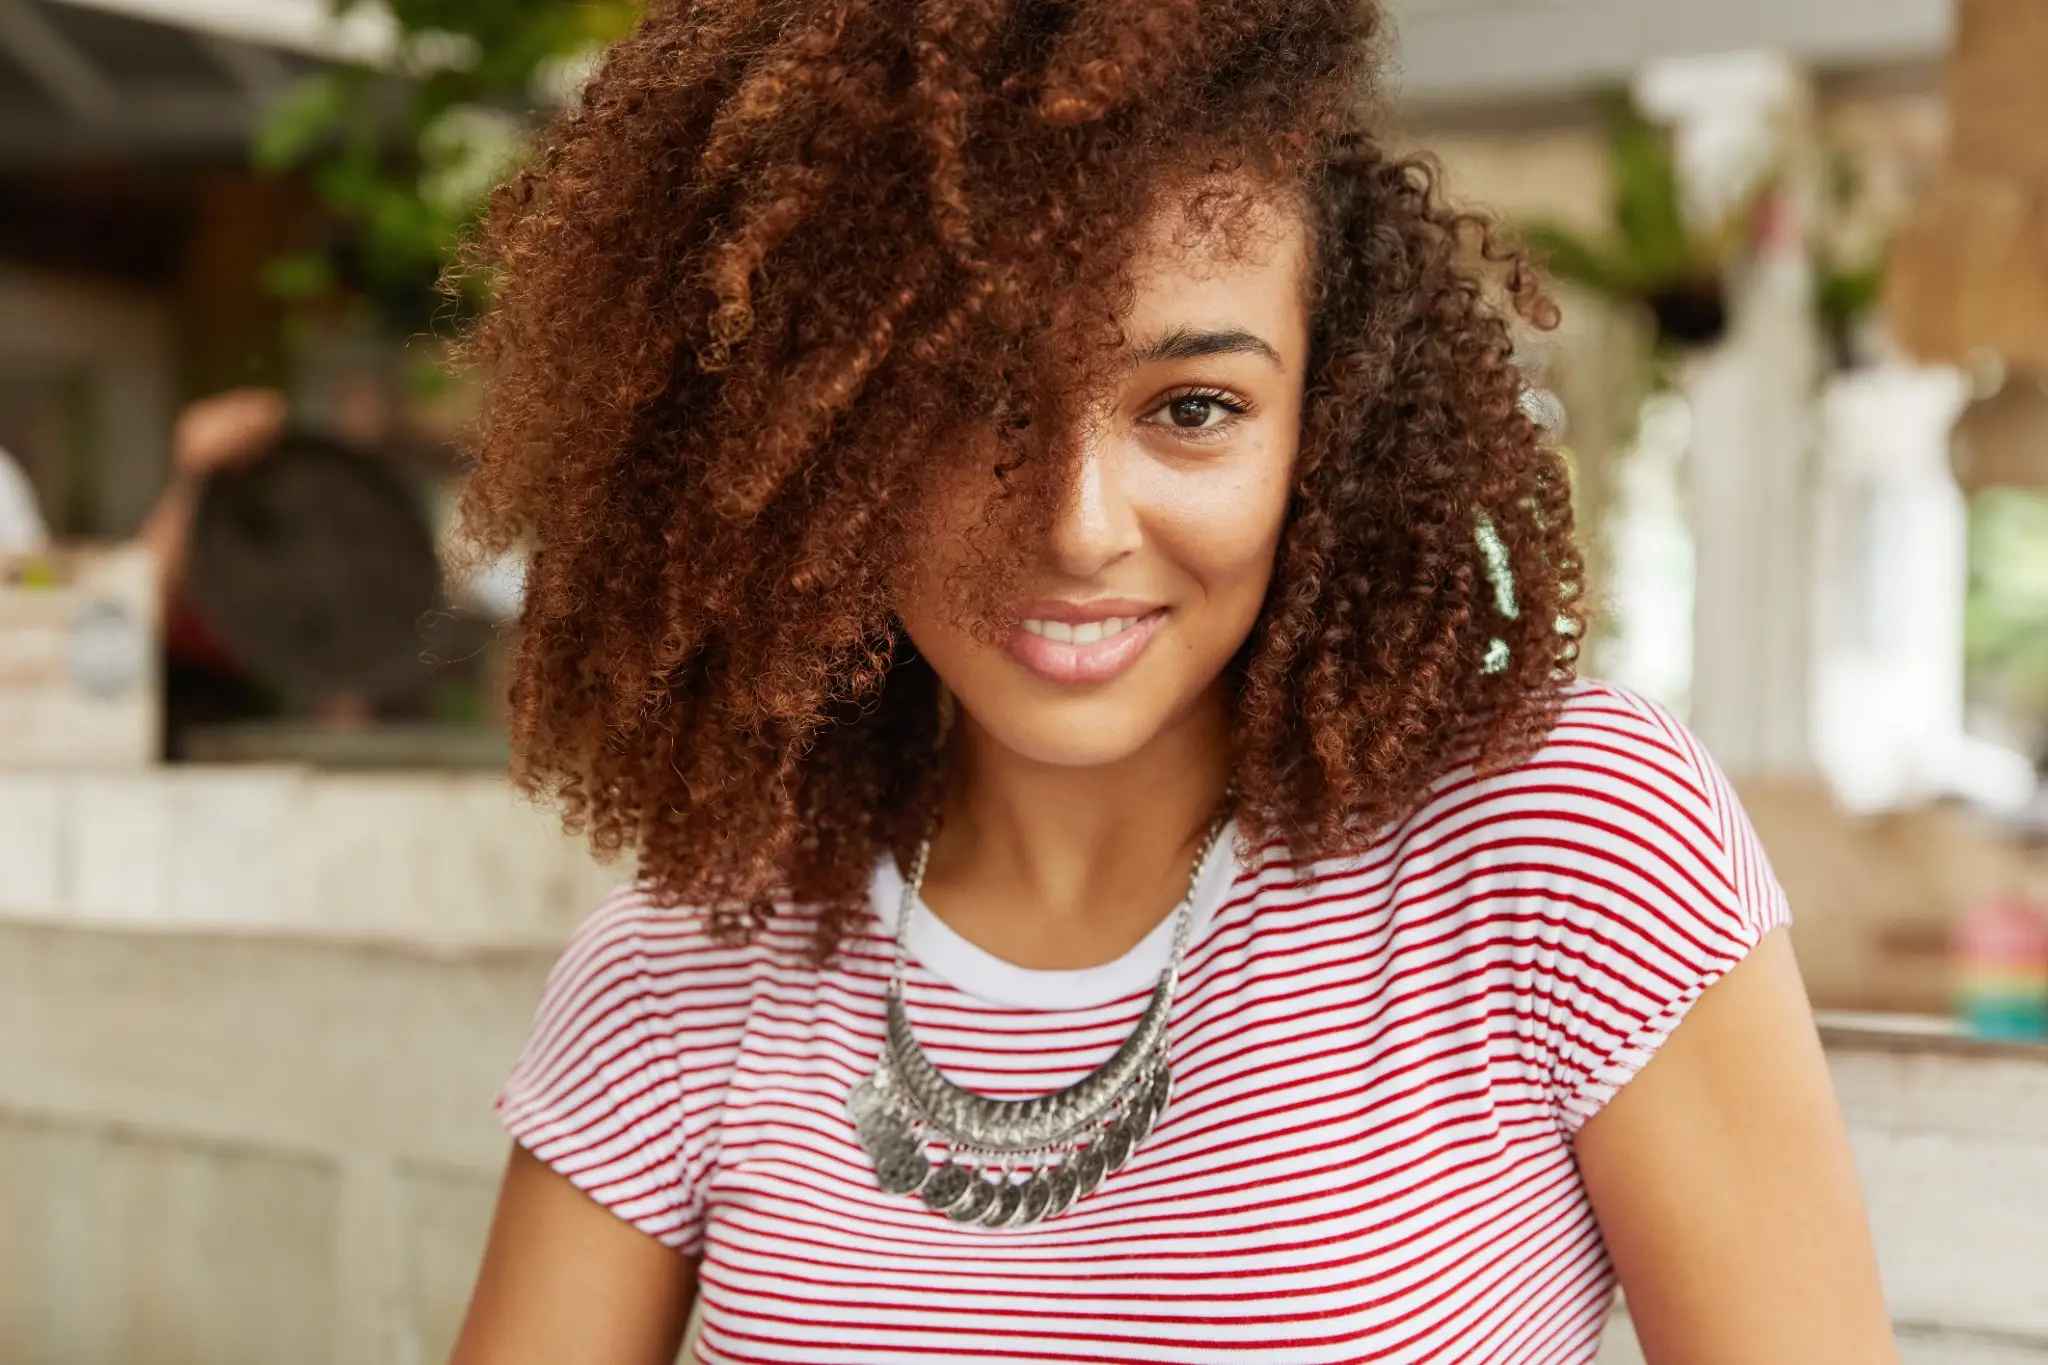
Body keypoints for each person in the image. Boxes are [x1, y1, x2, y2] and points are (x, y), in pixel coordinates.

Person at [450, 3, 1896, 1362]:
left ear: (1320, 432)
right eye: (973, 406)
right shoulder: (691, 962)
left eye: (1193, 408)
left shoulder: (1562, 843)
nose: (1075, 524)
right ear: (817, 429)